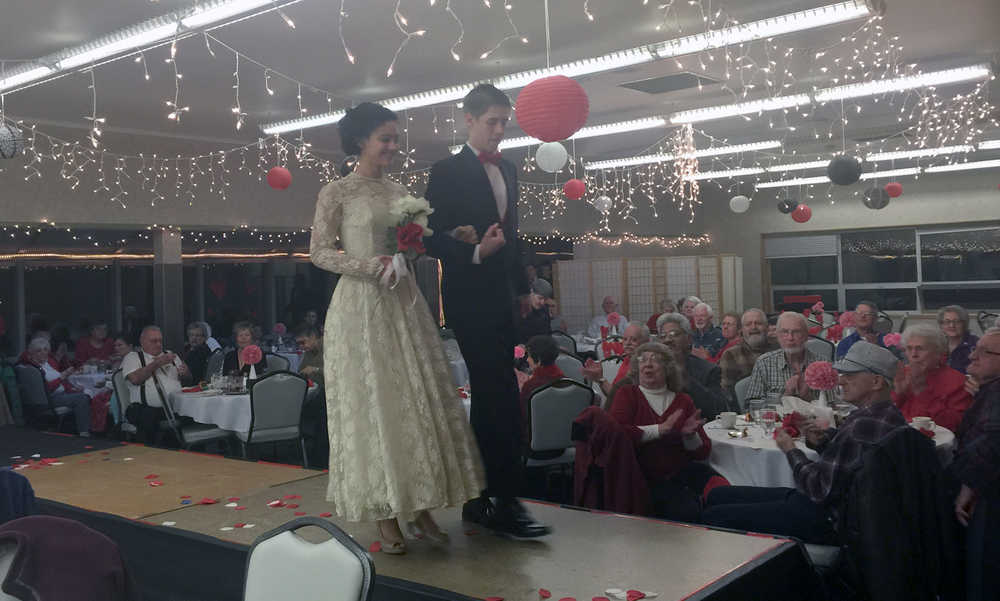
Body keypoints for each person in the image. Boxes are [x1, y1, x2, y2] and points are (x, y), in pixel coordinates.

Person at [311, 101, 486, 553]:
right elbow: (320, 253)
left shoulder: (399, 190)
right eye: (385, 138)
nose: (393, 146)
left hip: (404, 301)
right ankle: (384, 513)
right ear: (360, 140)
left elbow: (412, 246)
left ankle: (418, 502)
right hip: (360, 305)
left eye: (395, 138)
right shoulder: (337, 192)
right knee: (375, 404)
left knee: (413, 402)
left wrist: (434, 243)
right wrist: (371, 265)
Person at [424, 84, 549, 539]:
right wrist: (476, 252)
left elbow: (510, 236)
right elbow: (428, 237)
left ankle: (484, 498)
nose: (499, 130)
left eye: (503, 122)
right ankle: (503, 499)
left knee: (496, 395)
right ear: (469, 119)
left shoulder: (509, 169)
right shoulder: (447, 170)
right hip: (468, 298)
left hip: (502, 297)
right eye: (491, 121)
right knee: (498, 394)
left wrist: (524, 288)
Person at [702, 341, 906, 543]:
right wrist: (823, 441)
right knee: (719, 495)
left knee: (715, 515)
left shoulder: (861, 426)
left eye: (850, 376)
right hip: (849, 510)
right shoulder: (887, 416)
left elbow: (819, 489)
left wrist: (791, 450)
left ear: (876, 382)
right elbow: (851, 465)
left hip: (831, 519)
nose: (841, 381)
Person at [608, 342, 727, 521]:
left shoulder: (683, 400)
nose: (648, 364)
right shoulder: (627, 394)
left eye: (655, 360)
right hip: (640, 476)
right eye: (643, 360)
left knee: (723, 496)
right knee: (688, 512)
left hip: (680, 476)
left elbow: (703, 451)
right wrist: (659, 430)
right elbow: (616, 434)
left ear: (668, 369)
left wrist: (690, 436)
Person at [952, 328, 1000, 601]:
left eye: (985, 352)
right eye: (975, 348)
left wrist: (967, 486)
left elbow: (992, 441)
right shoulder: (990, 390)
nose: (972, 356)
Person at [892, 323, 972, 432]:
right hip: (896, 433)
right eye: (909, 348)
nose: (914, 355)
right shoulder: (902, 374)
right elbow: (885, 413)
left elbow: (954, 424)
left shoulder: (958, 381)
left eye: (920, 348)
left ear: (938, 352)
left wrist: (922, 391)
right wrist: (899, 394)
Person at [121, 325, 189, 443]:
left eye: (160, 341)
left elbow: (188, 380)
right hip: (146, 410)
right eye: (153, 341)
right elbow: (135, 379)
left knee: (195, 414)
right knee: (149, 417)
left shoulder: (170, 355)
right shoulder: (133, 357)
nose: (158, 344)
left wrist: (186, 373)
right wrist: (157, 363)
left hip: (175, 407)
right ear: (142, 342)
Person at [656, 313, 730, 419]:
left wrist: (685, 378)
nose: (667, 340)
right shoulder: (650, 369)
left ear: (689, 339)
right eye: (663, 336)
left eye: (674, 334)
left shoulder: (709, 370)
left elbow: (719, 409)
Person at [745, 311, 822, 402]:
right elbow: (751, 405)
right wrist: (786, 395)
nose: (790, 338)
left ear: (806, 336)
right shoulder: (764, 363)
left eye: (796, 332)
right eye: (785, 332)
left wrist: (807, 397)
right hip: (777, 411)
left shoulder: (821, 365)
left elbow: (833, 406)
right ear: (777, 336)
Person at [19, 337, 90, 436]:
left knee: (86, 392)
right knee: (82, 398)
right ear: (32, 353)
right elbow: (46, 390)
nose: (43, 353)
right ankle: (84, 433)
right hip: (50, 399)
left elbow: (62, 382)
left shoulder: (48, 363)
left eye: (45, 349)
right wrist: (62, 377)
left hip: (61, 394)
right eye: (39, 351)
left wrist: (72, 389)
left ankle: (89, 428)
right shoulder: (35, 370)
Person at [718, 309, 779, 403]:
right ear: (742, 330)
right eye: (748, 324)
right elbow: (726, 393)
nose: (753, 327)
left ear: (767, 327)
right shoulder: (731, 354)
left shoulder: (778, 350)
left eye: (758, 323)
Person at [582, 321, 649, 398]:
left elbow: (620, 398)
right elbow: (615, 395)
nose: (627, 343)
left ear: (646, 343)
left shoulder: (644, 366)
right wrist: (600, 379)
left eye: (634, 340)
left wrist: (601, 379)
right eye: (625, 339)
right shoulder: (628, 359)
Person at [518, 335, 566, 442]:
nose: (527, 360)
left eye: (529, 356)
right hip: (561, 440)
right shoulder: (564, 380)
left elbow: (522, 417)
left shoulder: (531, 386)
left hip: (536, 442)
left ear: (539, 360)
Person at [295, 324, 328, 469]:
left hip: (329, 393)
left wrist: (316, 369)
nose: (302, 347)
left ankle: (318, 459)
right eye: (299, 344)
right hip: (315, 393)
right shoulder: (308, 352)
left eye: (303, 342)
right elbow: (301, 372)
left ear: (314, 337)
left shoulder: (329, 346)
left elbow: (338, 370)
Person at [938, 305, 978, 374]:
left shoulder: (976, 344)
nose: (952, 325)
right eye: (947, 322)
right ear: (941, 325)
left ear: (964, 324)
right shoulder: (936, 344)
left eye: (957, 322)